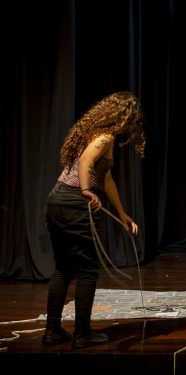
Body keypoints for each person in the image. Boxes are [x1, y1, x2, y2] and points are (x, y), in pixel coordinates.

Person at [44, 91, 146, 348]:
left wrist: (121, 213)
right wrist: (86, 190)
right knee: (87, 270)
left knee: (63, 268)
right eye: (129, 119)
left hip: (58, 200)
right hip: (74, 203)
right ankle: (82, 334)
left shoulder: (92, 133)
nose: (129, 125)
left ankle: (53, 331)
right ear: (122, 116)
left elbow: (106, 179)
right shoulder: (104, 136)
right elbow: (85, 161)